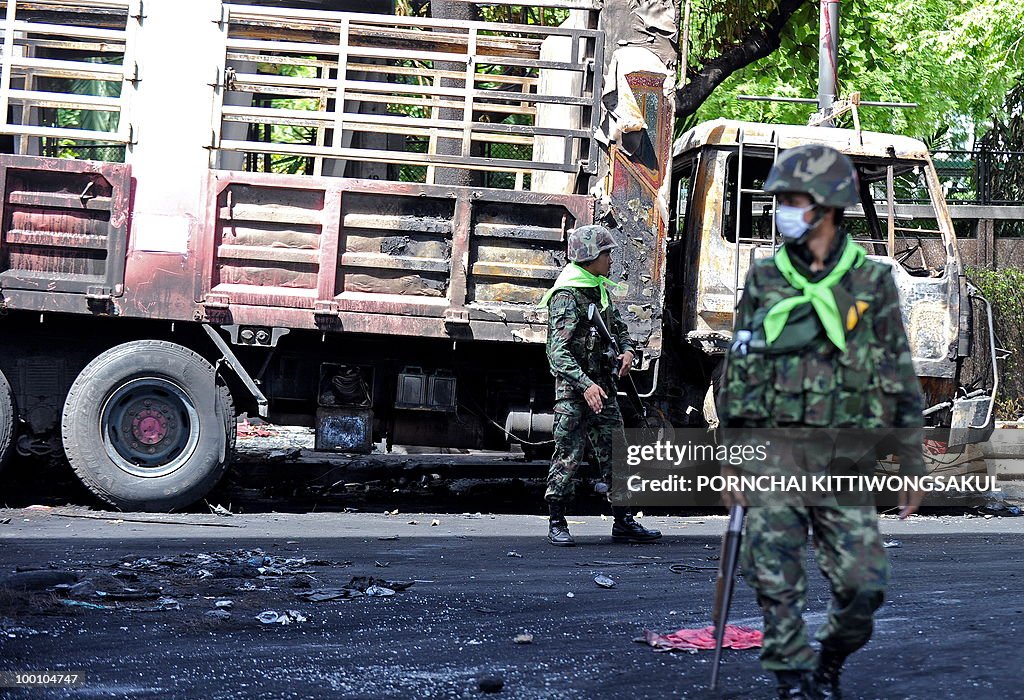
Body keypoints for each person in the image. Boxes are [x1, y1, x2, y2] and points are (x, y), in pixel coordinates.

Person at [716, 144, 925, 699]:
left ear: (830, 204)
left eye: (793, 199)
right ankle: (792, 679)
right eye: (780, 198)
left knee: (864, 586)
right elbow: (740, 371)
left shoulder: (870, 282)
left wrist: (910, 459)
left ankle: (830, 659)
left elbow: (896, 369)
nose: (782, 208)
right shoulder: (765, 279)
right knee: (775, 579)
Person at [539, 224, 662, 547]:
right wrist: (584, 385)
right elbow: (557, 353)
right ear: (590, 255)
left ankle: (624, 521)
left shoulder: (598, 289)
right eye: (606, 253)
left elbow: (618, 328)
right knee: (568, 454)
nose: (610, 259)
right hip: (575, 393)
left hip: (603, 388)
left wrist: (627, 351)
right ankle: (557, 521)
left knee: (616, 453)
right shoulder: (567, 295)